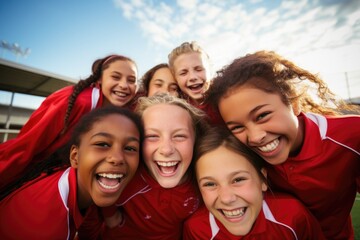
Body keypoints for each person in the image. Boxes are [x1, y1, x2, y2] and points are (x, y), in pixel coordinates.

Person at [206, 50, 360, 239]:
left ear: (294, 103)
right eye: (237, 127)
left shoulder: (352, 136)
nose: (255, 137)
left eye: (262, 115)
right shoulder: (241, 154)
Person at [78, 93, 210, 239]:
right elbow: (103, 194)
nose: (166, 150)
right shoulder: (127, 175)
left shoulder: (203, 181)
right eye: (152, 136)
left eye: (179, 136)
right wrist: (110, 216)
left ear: (196, 140)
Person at [0, 54, 139, 192]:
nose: (124, 85)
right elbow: (28, 144)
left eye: (132, 80)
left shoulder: (118, 110)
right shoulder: (79, 102)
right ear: (100, 78)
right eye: (115, 77)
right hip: (32, 173)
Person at [0, 106, 143, 239]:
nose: (117, 158)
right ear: (75, 156)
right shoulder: (44, 228)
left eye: (130, 148)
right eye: (102, 144)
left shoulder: (76, 185)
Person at [183, 127, 325, 239]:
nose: (226, 198)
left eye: (238, 180)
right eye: (210, 184)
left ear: (263, 179)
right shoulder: (198, 230)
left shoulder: (292, 215)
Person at [168, 41, 222, 125]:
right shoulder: (177, 106)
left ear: (210, 71)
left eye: (198, 69)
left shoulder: (224, 97)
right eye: (183, 73)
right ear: (176, 79)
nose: (192, 77)